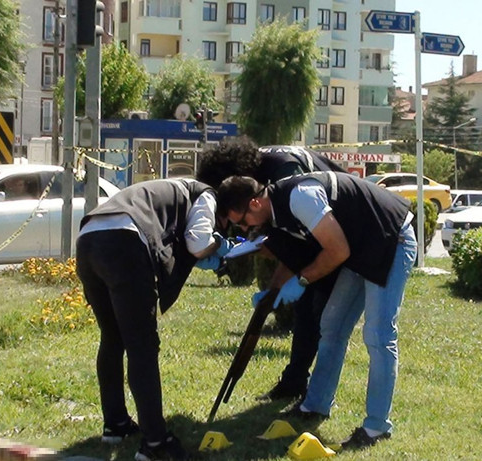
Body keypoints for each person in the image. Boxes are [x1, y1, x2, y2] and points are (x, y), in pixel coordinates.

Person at [216, 172, 417, 449]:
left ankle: (376, 428)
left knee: (378, 335)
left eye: (240, 221)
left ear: (254, 204)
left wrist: (302, 281)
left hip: (391, 240)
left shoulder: (301, 198)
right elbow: (300, 252)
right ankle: (315, 406)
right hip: (360, 247)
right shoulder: (277, 210)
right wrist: (275, 289)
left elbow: (336, 251)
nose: (242, 229)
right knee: (332, 325)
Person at [76, 178, 231, 461]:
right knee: (142, 346)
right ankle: (156, 443)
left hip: (88, 238)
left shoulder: (168, 186)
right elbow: (198, 242)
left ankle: (116, 423)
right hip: (124, 242)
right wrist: (219, 246)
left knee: (112, 338)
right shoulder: (206, 195)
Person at [196, 137, 343, 401]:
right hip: (317, 233)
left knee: (317, 311)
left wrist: (290, 278)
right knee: (305, 310)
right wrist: (274, 285)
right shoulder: (258, 175)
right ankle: (295, 382)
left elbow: (303, 240)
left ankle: (311, 395)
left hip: (335, 234)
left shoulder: (284, 172)